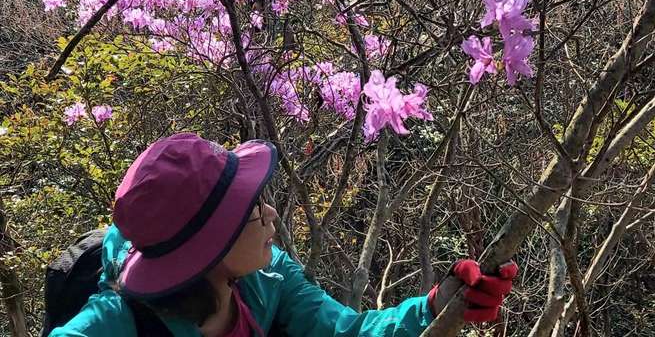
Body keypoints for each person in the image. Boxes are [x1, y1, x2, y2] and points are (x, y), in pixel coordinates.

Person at [50, 132, 517, 337]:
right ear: (209, 245)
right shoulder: (119, 322)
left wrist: (434, 306)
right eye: (252, 208)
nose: (271, 213)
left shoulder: (269, 278)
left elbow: (345, 332)